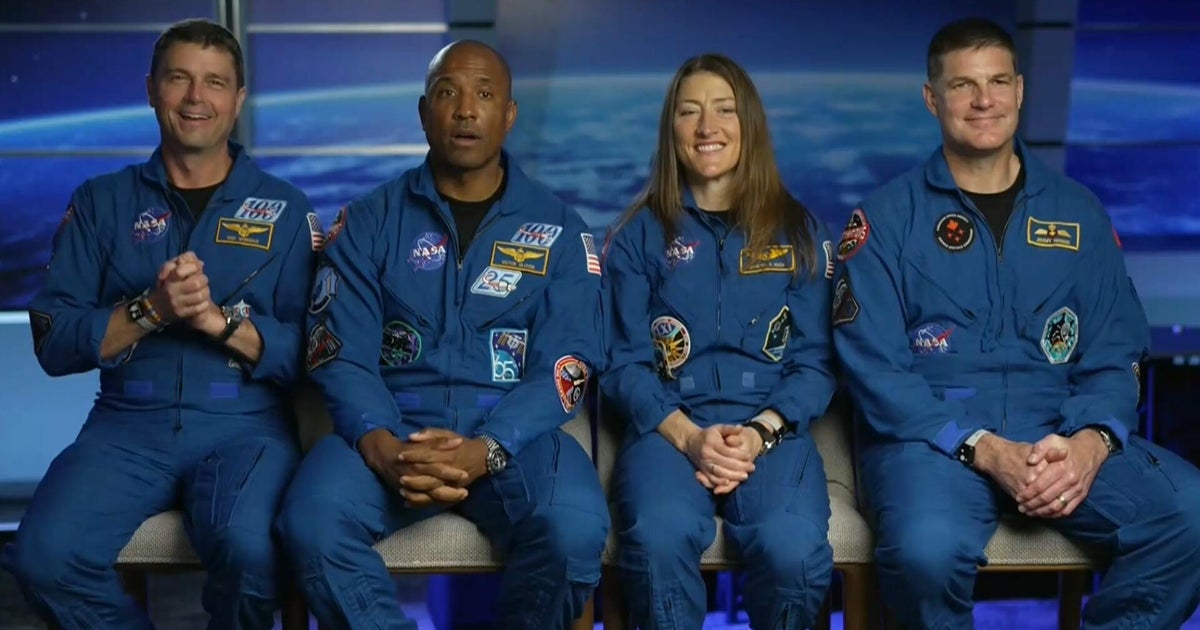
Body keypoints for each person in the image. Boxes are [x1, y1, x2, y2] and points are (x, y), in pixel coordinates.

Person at [833, 17, 1200, 628]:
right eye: (963, 85)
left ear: (1021, 90)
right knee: (924, 554)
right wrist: (982, 447)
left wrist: (1090, 443)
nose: (984, 100)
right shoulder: (886, 220)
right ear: (932, 98)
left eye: (998, 81)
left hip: (1059, 433)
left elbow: (1116, 351)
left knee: (1189, 516)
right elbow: (875, 371)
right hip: (934, 442)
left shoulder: (1078, 214)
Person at [273, 40, 608, 629]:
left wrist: (490, 447)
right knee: (310, 525)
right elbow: (340, 353)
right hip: (392, 426)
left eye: (485, 94)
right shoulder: (369, 222)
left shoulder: (559, 231)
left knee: (574, 531)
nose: (465, 109)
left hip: (513, 437)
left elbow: (568, 364)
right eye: (447, 92)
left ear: (509, 114)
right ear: (424, 112)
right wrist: (381, 446)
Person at [0, 19, 318, 630]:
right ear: (151, 89)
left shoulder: (285, 210)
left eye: (215, 82)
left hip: (244, 426)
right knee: (42, 559)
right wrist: (150, 311)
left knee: (251, 556)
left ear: (238, 99)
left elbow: (311, 355)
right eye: (179, 79)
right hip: (127, 426)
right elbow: (55, 342)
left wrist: (217, 322)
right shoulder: (101, 202)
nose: (196, 97)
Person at [602, 53, 837, 629]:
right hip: (667, 427)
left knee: (791, 548)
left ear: (748, 122)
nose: (707, 127)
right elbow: (622, 364)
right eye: (689, 112)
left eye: (724, 110)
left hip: (772, 429)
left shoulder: (800, 232)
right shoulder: (636, 237)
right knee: (658, 539)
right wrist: (689, 438)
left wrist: (757, 433)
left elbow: (816, 363)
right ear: (672, 129)